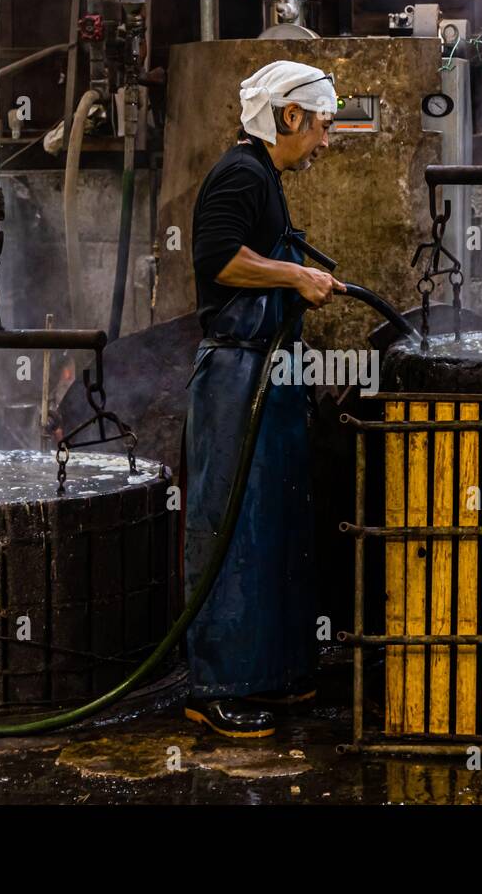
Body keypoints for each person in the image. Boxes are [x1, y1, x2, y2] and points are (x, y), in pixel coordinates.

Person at [183, 60, 345, 737]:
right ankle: (216, 685)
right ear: (288, 116)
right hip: (235, 376)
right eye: (322, 125)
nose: (326, 140)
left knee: (273, 524)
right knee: (230, 528)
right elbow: (217, 260)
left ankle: (269, 674)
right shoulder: (240, 174)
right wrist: (294, 276)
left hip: (268, 374)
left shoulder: (265, 180)